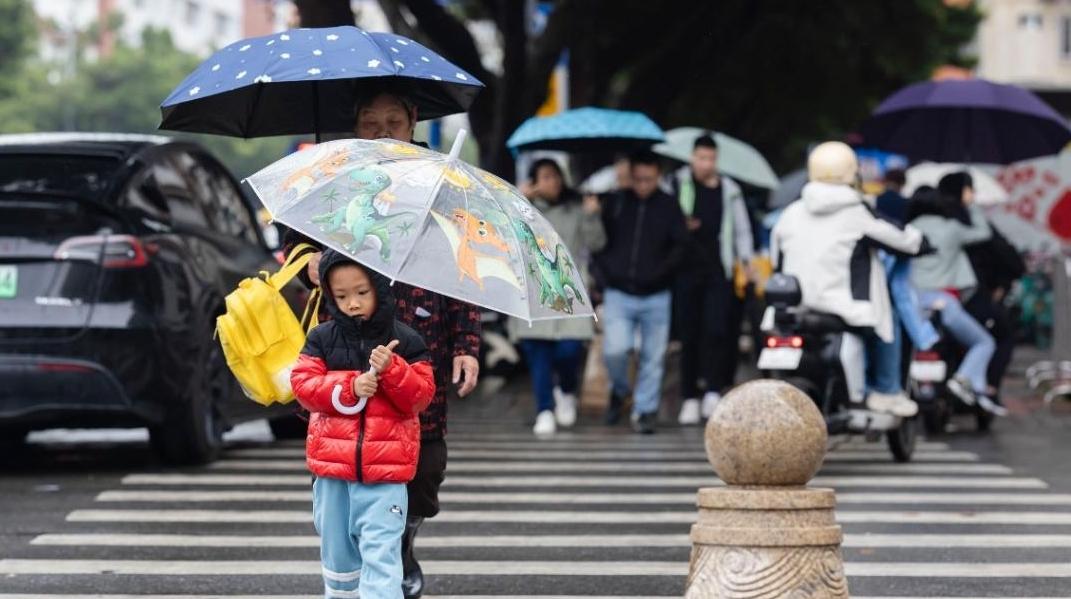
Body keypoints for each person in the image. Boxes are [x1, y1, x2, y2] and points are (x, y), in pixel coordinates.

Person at [281, 85, 482, 599]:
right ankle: (365, 562)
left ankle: (397, 544)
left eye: (394, 120)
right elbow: (293, 243)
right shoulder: (337, 176)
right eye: (371, 122)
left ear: (413, 120)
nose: (383, 131)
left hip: (421, 342)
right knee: (340, 458)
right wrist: (306, 262)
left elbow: (463, 268)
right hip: (344, 347)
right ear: (355, 124)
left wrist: (466, 343)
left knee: (424, 463)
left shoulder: (443, 184)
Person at [290, 250, 436, 599]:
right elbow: (303, 387)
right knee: (338, 560)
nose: (352, 303)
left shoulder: (407, 341)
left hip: (386, 475)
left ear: (381, 289)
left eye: (361, 292)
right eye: (341, 296)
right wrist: (349, 388)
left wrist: (393, 370)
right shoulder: (321, 339)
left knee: (382, 555)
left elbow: (420, 397)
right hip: (332, 473)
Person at [771, 141, 927, 417]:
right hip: (846, 308)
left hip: (795, 307)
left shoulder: (790, 213)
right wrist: (921, 241)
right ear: (851, 174)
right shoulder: (857, 211)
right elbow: (902, 239)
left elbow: (775, 260)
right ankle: (887, 391)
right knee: (888, 316)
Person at [593, 150, 688, 434]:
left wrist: (662, 272)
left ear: (658, 176)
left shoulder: (670, 206)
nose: (643, 185)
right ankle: (620, 390)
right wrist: (606, 274)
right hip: (619, 291)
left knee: (653, 356)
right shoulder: (616, 202)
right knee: (615, 350)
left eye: (648, 179)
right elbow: (599, 242)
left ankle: (645, 410)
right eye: (637, 179)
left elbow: (681, 245)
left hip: (657, 294)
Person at [511, 158, 606, 435]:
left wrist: (591, 214)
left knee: (570, 350)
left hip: (569, 290)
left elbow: (597, 243)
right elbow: (509, 239)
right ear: (534, 181)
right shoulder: (523, 208)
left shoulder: (576, 209)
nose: (551, 182)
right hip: (535, 291)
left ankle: (566, 391)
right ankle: (544, 409)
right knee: (538, 353)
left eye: (555, 176)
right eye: (545, 177)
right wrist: (519, 201)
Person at [670, 134, 755, 425]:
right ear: (692, 157)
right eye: (701, 158)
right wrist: (682, 225)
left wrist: (746, 260)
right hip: (685, 270)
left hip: (719, 270)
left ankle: (714, 389)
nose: (706, 164)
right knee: (689, 334)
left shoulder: (729, 189)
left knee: (717, 330)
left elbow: (742, 228)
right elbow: (667, 223)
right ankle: (689, 395)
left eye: (711, 158)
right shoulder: (678, 184)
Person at [908, 173, 1005, 416]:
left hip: (913, 304)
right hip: (945, 302)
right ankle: (963, 379)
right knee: (985, 342)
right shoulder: (952, 228)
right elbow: (983, 233)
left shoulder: (909, 230)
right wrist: (970, 204)